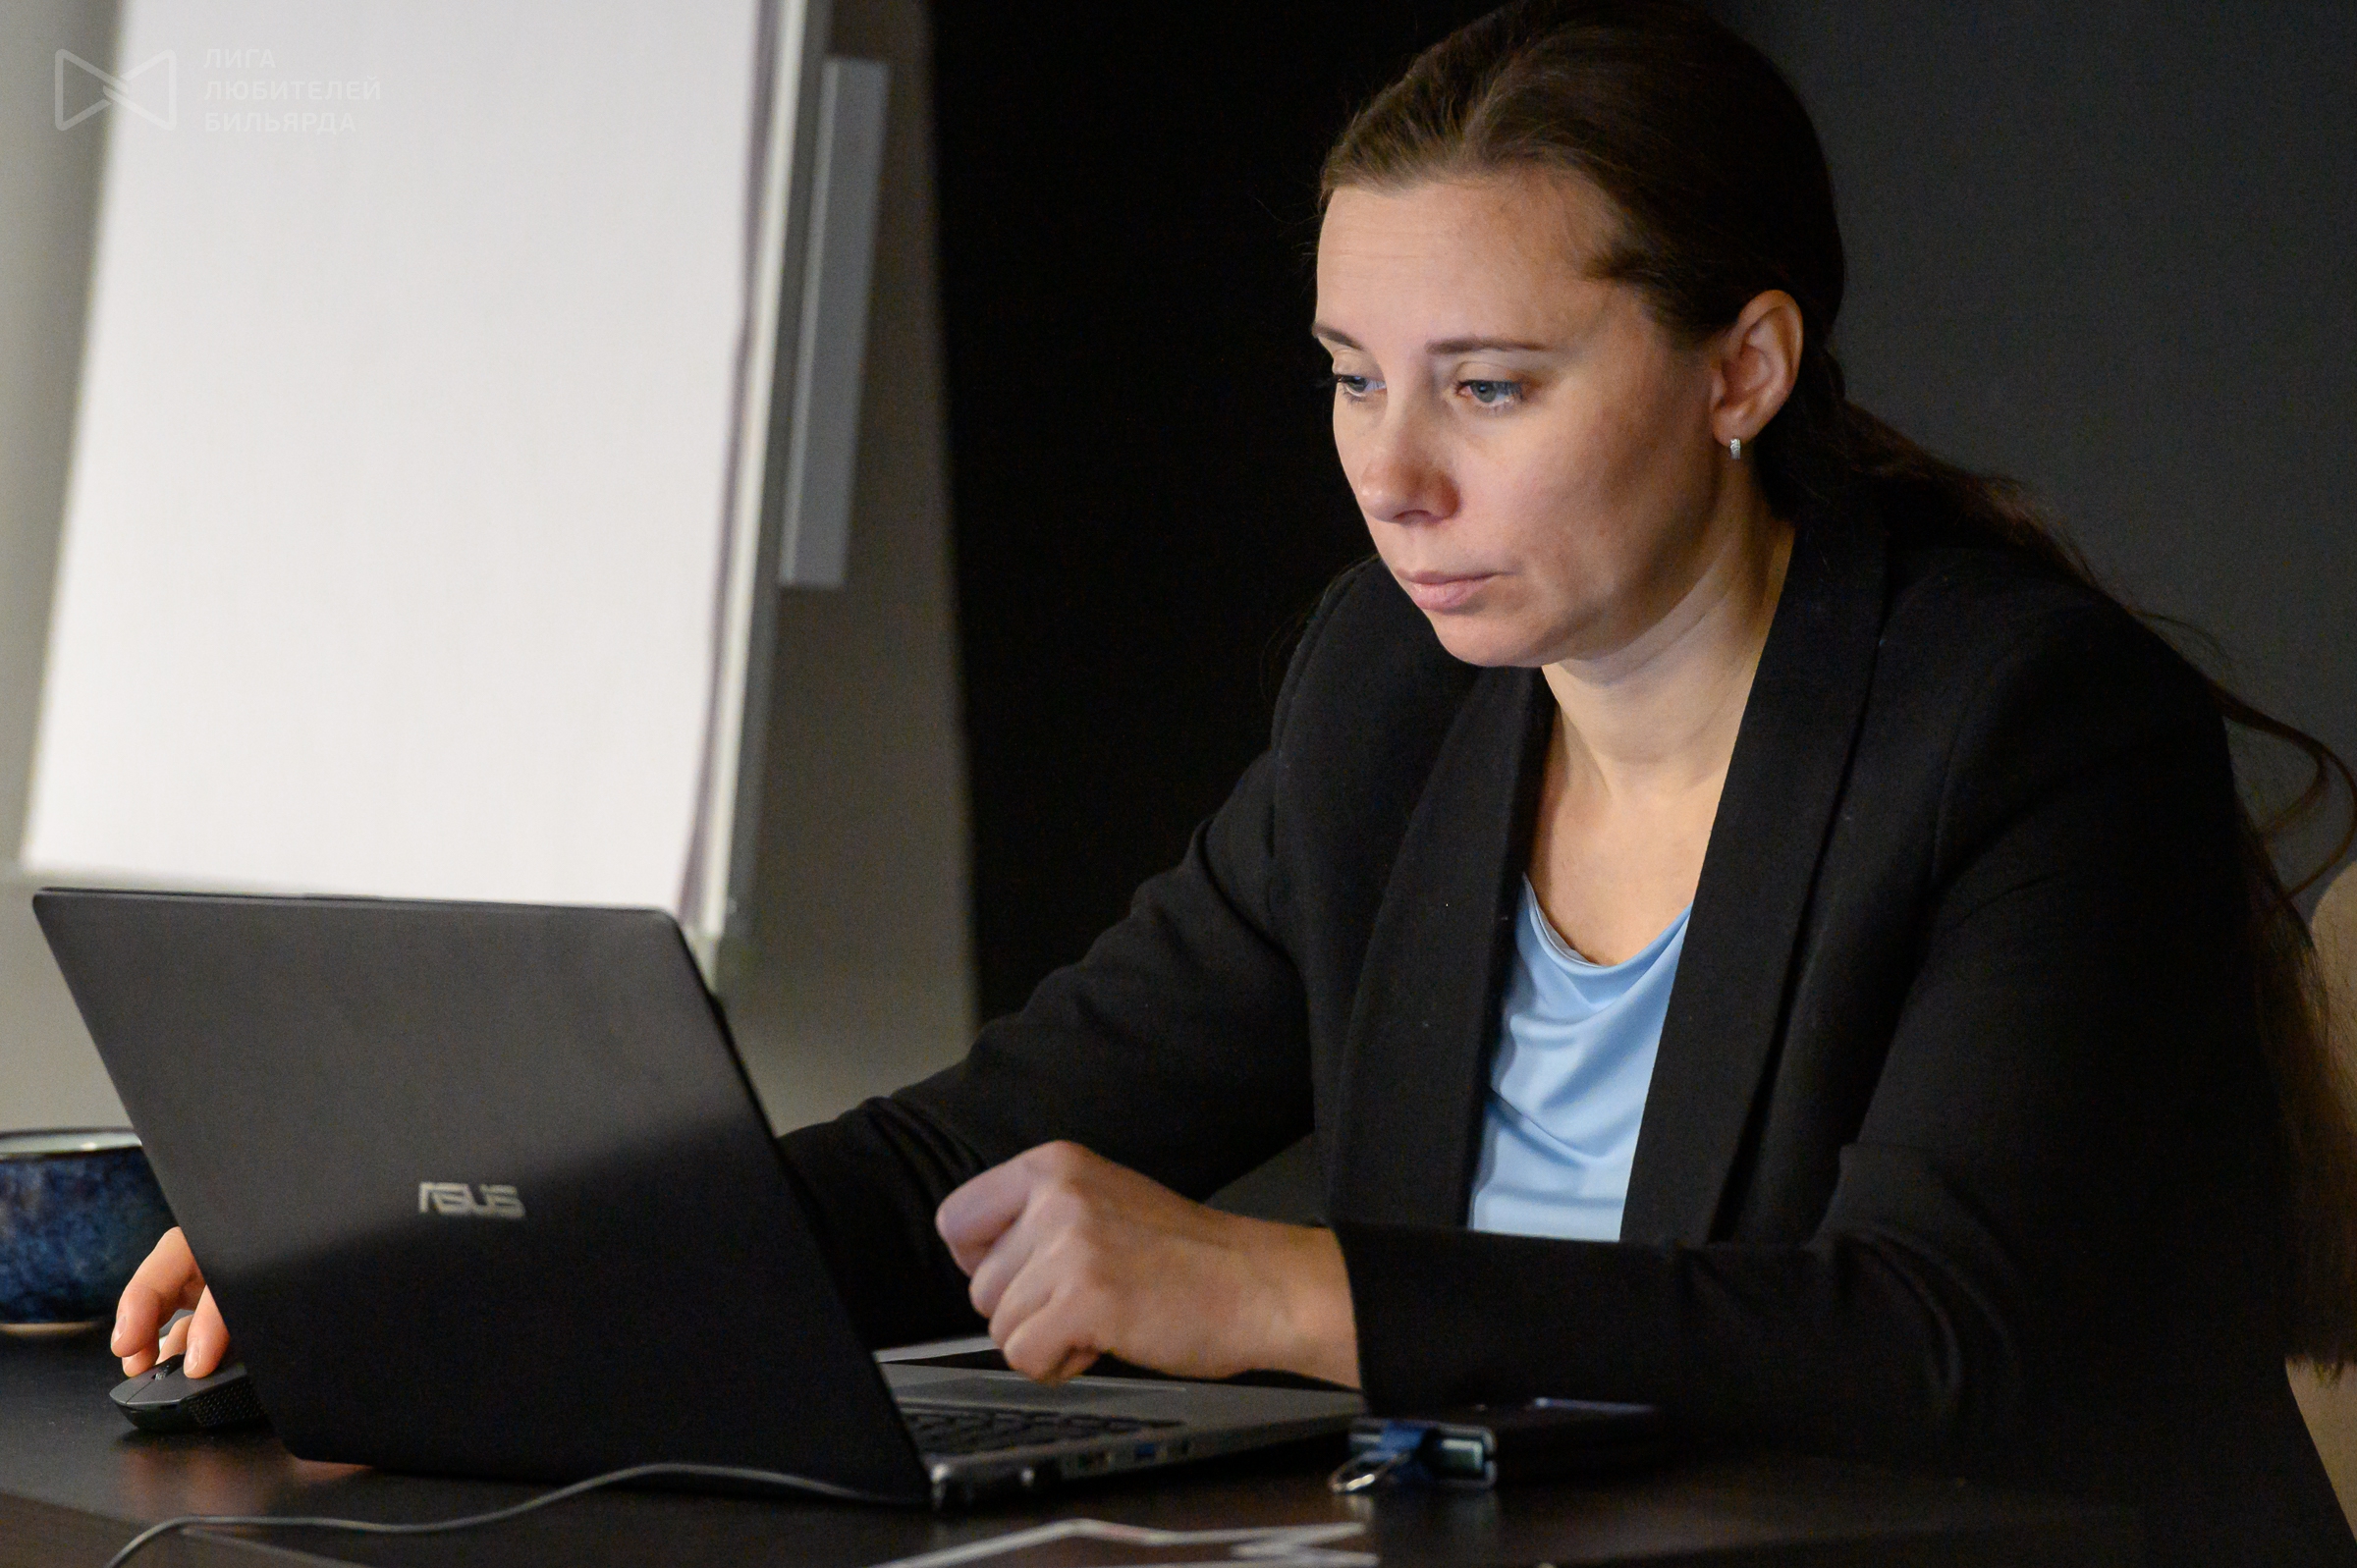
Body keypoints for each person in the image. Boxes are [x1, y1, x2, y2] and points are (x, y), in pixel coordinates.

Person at [114, 1, 2357, 1560]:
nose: (1394, 473)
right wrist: (440, 1257)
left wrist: (1283, 1292)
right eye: (1352, 376)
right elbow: (975, 1149)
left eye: (1490, 385)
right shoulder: (1395, 693)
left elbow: (1931, 1337)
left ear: (1741, 368)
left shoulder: (2027, 728)